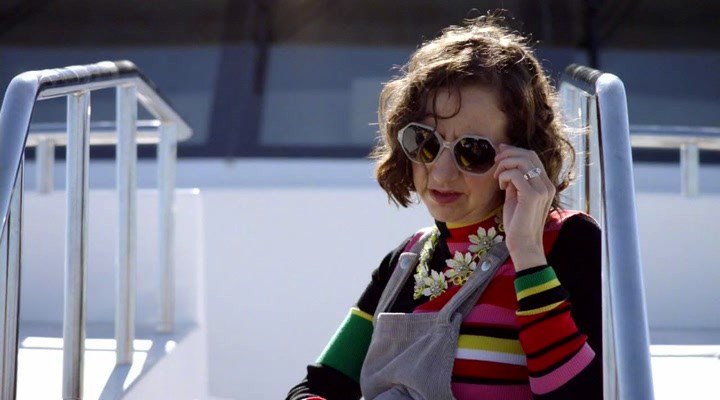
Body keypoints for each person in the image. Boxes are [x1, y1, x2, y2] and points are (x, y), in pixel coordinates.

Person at [287, 14, 602, 400]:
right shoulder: (405, 259)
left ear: (524, 155)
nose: (441, 171)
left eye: (473, 150)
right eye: (425, 142)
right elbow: (316, 386)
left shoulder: (569, 243)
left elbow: (584, 394)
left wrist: (527, 254)